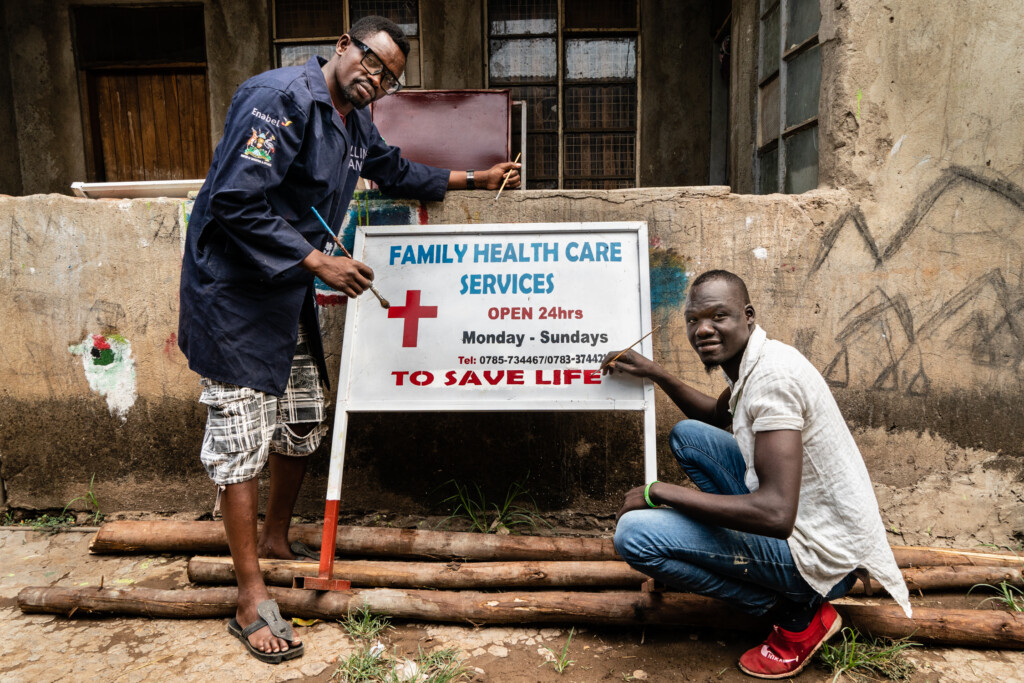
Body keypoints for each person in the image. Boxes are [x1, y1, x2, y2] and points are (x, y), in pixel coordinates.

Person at [178, 15, 520, 663]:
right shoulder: (278, 99)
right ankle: (250, 596)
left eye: (390, 76)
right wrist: (319, 263)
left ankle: (276, 538)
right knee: (240, 440)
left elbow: (390, 169)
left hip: (282, 298)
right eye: (372, 61)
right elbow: (234, 200)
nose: (377, 78)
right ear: (342, 46)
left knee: (304, 418)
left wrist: (476, 179)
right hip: (233, 296)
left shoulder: (352, 118)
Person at [601, 270, 910, 679]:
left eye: (718, 317)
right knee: (689, 437)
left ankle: (796, 612)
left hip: (821, 558)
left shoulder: (772, 379)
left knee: (635, 536)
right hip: (808, 527)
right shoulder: (756, 359)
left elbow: (776, 515)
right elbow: (715, 415)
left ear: (748, 316)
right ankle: (772, 585)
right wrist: (657, 373)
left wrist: (661, 493)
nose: (703, 330)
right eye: (694, 320)